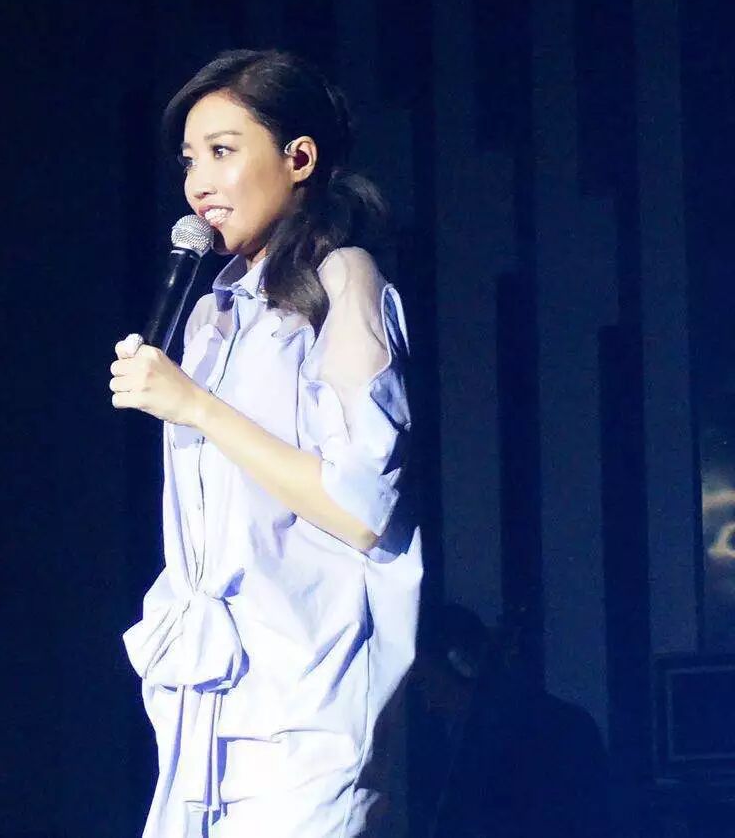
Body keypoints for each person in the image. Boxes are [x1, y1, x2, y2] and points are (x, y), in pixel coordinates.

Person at [111, 50, 422, 837]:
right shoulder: (212, 316)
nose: (199, 184)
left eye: (222, 151)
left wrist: (197, 407)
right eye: (189, 161)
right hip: (209, 708)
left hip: (304, 711)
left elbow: (360, 508)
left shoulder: (345, 279)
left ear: (299, 158)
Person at [408, 603, 610, 838]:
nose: (429, 704)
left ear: (460, 664)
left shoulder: (512, 742)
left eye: (426, 683)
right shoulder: (566, 723)